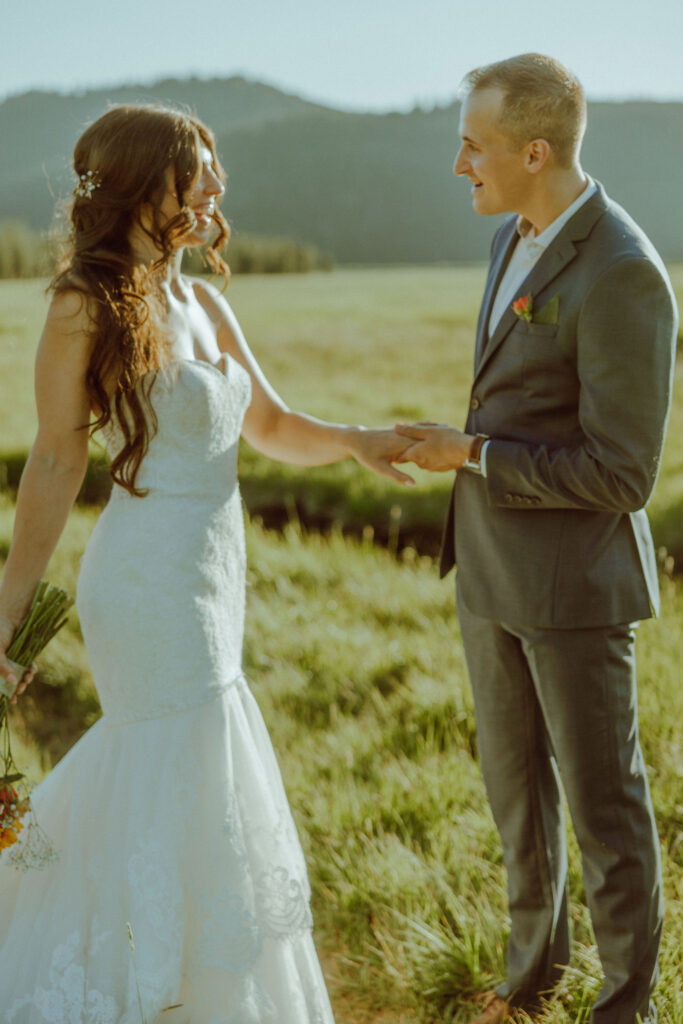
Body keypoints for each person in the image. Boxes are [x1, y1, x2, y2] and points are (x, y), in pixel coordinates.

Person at [0, 103, 413, 1023]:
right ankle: (146, 989)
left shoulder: (202, 301)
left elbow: (268, 424)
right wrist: (8, 613)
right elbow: (59, 458)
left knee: (193, 771)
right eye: (200, 170)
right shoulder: (86, 303)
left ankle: (182, 986)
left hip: (214, 576)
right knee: (180, 758)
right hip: (145, 584)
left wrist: (359, 441)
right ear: (147, 183)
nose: (218, 188)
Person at [395, 54, 676, 1024]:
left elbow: (620, 473)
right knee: (515, 798)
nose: (457, 164)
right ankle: (528, 981)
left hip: (572, 590)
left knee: (602, 811)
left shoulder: (623, 271)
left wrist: (472, 452)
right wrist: (466, 456)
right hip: (488, 575)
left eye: (471, 146)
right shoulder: (507, 238)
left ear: (533, 150)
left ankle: (623, 1003)